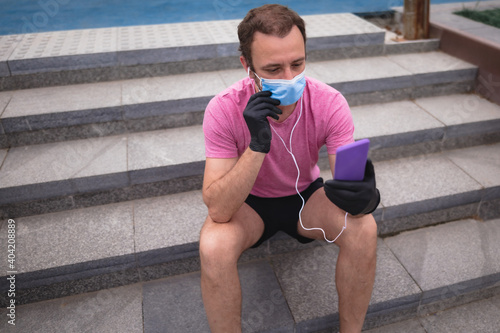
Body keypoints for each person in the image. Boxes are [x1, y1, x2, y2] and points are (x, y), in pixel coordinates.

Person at [199, 4, 380, 333]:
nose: (289, 78)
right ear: (247, 66)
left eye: (297, 64)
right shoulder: (223, 108)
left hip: (306, 199)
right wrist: (257, 145)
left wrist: (363, 197)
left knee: (364, 228)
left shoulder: (328, 102)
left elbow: (346, 183)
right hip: (248, 204)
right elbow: (219, 209)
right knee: (213, 246)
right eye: (273, 68)